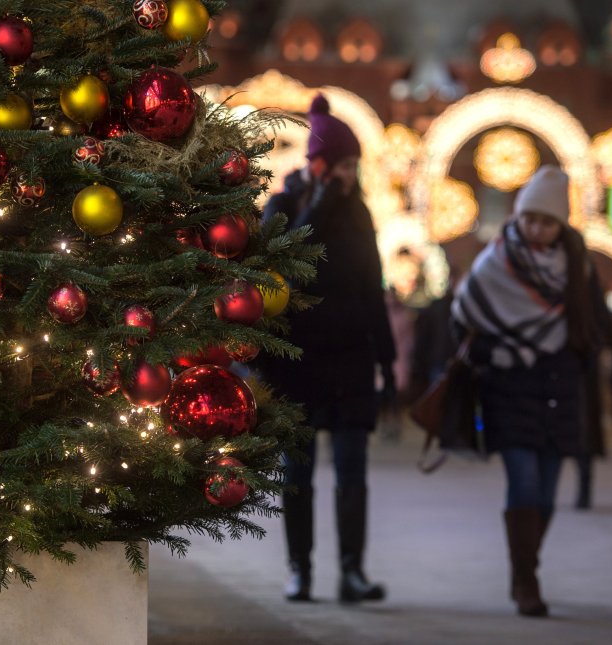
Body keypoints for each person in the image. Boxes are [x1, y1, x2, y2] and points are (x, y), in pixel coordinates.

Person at [259, 94, 396, 603]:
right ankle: (300, 569)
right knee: (297, 475)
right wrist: (318, 204)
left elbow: (372, 287)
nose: (349, 175)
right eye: (342, 164)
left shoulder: (359, 212)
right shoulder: (284, 205)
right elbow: (281, 268)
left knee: (352, 473)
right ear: (318, 164)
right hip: (296, 362)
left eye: (354, 166)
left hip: (353, 361)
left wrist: (388, 362)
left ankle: (352, 571)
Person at [452, 165, 605, 617]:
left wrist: (580, 360)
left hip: (560, 389)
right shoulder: (495, 261)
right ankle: (527, 582)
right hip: (509, 386)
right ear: (518, 216)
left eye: (547, 221)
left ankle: (526, 568)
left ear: (561, 225)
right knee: (524, 482)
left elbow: (593, 325)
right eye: (530, 218)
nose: (537, 228)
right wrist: (498, 354)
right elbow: (463, 314)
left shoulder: (577, 266)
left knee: (547, 494)